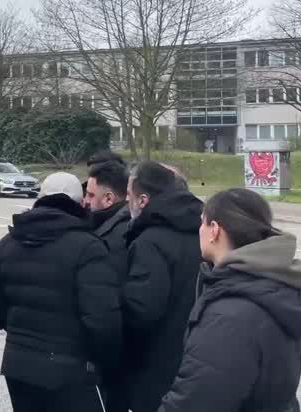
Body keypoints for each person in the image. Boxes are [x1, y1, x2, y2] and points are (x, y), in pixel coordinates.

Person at [159, 189, 301, 412]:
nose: (199, 230)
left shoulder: (229, 315)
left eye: (202, 222)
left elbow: (197, 401)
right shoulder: (274, 284)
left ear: (214, 230)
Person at [0, 172, 122, 412]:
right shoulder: (88, 247)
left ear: (40, 199)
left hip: (18, 365)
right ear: (80, 204)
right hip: (71, 369)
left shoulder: (9, 242)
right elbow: (103, 322)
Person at [123, 161, 203, 412]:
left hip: (156, 366)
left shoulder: (150, 241)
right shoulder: (203, 233)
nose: (127, 202)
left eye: (129, 195)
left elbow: (142, 310)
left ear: (143, 200)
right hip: (199, 358)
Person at [82, 159, 131, 412]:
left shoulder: (115, 237)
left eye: (90, 195)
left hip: (115, 359)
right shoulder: (111, 227)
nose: (85, 201)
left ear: (109, 198)